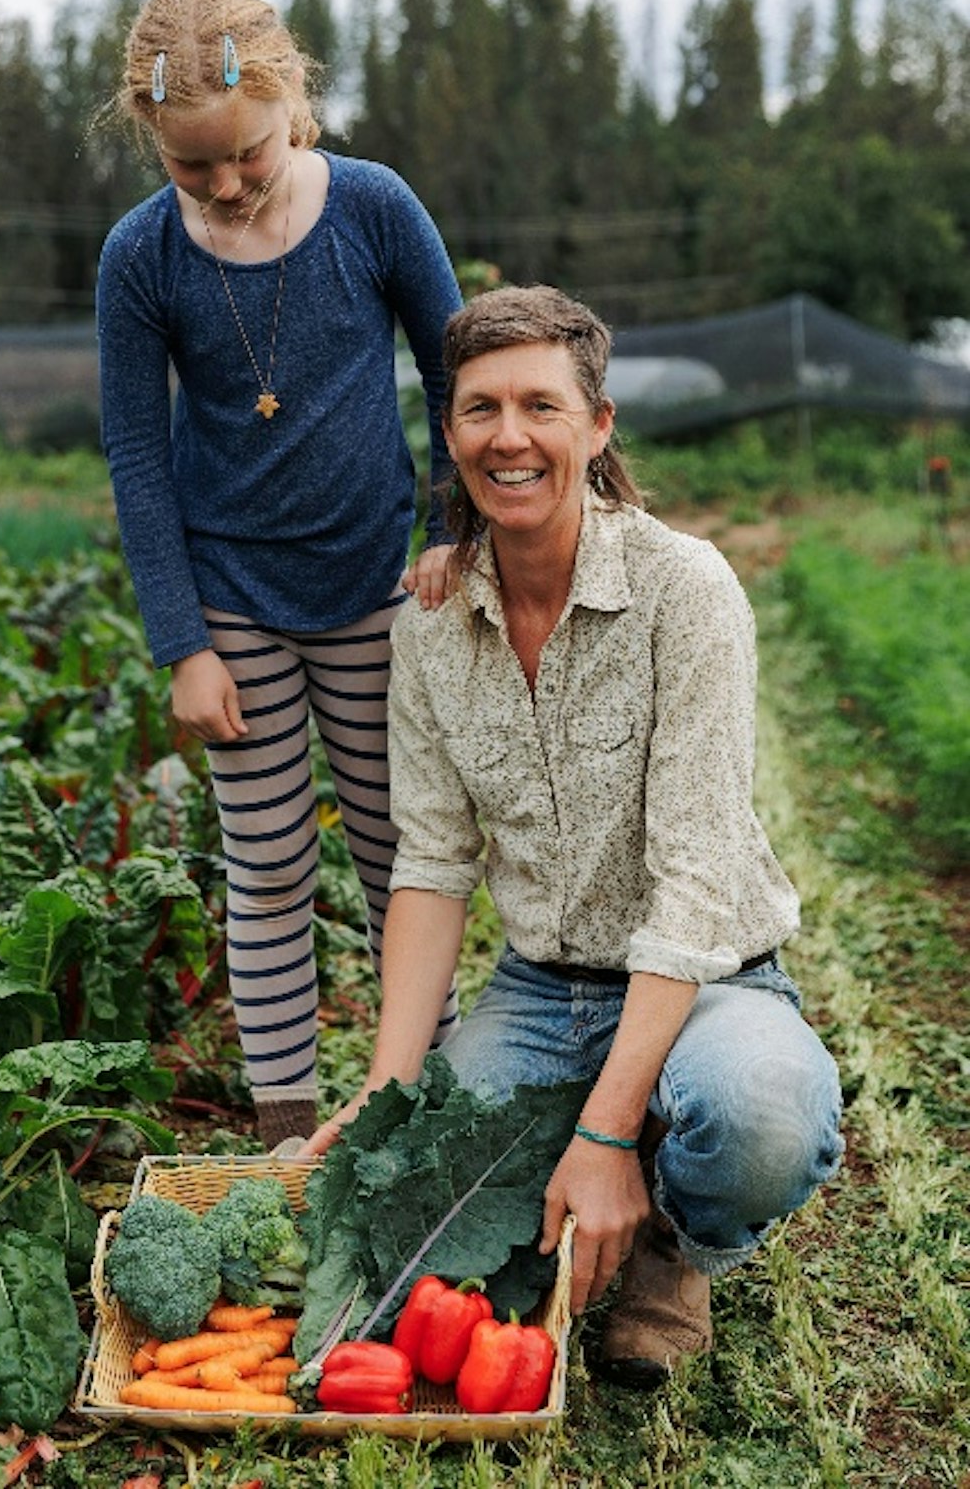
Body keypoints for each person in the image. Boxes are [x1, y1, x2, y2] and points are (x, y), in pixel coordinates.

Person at [307, 285, 844, 1386]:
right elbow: (434, 861)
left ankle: (675, 1241)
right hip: (540, 992)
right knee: (424, 1221)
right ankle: (619, 1134)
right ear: (449, 432)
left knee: (758, 1118)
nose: (509, 436)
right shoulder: (433, 625)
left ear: (598, 427)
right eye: (480, 409)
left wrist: (599, 1136)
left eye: (542, 406)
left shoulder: (683, 590)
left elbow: (695, 880)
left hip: (712, 981)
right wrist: (385, 1083)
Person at [96, 0, 461, 1151]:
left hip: (374, 593)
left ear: (291, 97)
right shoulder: (140, 258)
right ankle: (288, 1133)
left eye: (245, 153)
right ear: (154, 142)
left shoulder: (373, 208)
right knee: (265, 870)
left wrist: (451, 535)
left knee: (402, 854)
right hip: (233, 603)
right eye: (191, 165)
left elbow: (457, 373)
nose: (226, 184)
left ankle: (421, 1107)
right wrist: (183, 643)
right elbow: (138, 452)